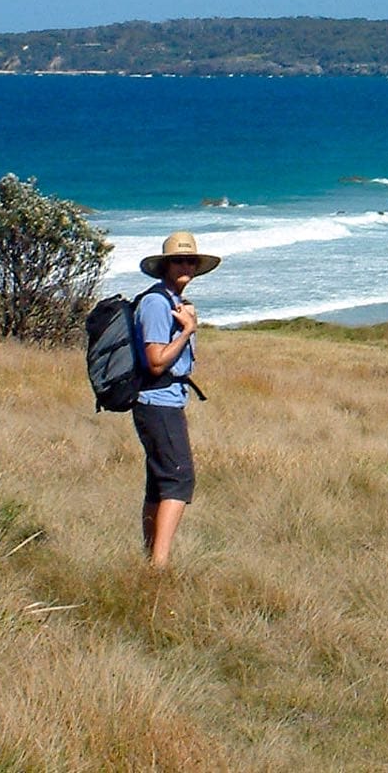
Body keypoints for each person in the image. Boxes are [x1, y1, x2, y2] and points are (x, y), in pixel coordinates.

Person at [133, 230, 219, 567]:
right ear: (165, 266)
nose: (185, 265)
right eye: (178, 260)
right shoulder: (157, 303)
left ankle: (149, 556)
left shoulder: (172, 301)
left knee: (159, 481)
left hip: (164, 401)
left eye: (190, 260)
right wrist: (187, 331)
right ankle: (159, 566)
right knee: (178, 481)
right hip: (158, 402)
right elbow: (155, 361)